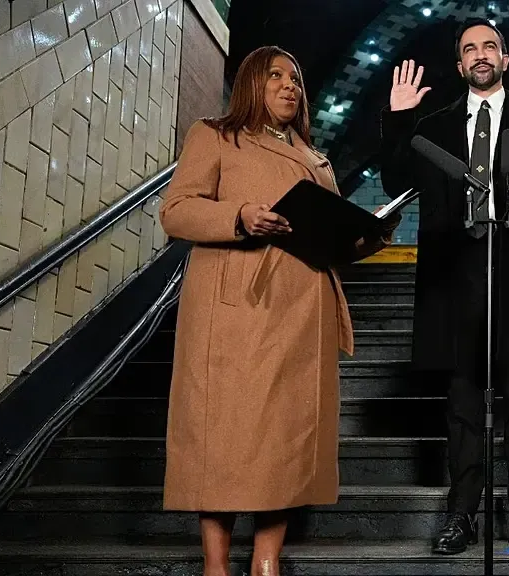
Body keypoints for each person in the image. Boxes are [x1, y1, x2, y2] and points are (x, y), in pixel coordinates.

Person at [159, 46, 398, 576]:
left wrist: (372, 235)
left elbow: (333, 240)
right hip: (238, 308)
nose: (291, 85)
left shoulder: (315, 158)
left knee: (286, 437)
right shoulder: (216, 135)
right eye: (276, 76)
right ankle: (215, 564)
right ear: (252, 82)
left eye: (296, 78)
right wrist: (241, 215)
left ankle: (266, 559)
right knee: (223, 432)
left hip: (304, 311)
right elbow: (176, 211)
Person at [379, 18, 509, 555]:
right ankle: (461, 516)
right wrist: (399, 118)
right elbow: (396, 181)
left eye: (490, 46)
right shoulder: (434, 126)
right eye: (470, 49)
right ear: (459, 64)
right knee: (463, 405)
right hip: (454, 276)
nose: (481, 54)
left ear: (505, 59)